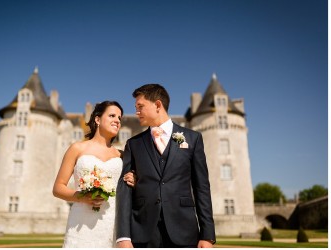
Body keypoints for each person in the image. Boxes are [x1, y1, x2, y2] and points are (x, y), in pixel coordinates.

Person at [116, 84, 216, 248]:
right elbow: (125, 189)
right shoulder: (133, 144)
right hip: (143, 232)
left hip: (184, 230)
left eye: (140, 106)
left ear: (157, 105)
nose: (136, 112)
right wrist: (123, 236)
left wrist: (207, 235)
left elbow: (202, 187)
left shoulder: (193, 138)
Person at [53, 100, 135, 248]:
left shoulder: (123, 155)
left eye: (119, 118)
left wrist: (134, 180)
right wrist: (82, 197)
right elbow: (58, 188)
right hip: (80, 223)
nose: (117, 120)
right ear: (97, 119)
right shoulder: (77, 148)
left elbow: (130, 189)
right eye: (112, 116)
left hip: (112, 223)